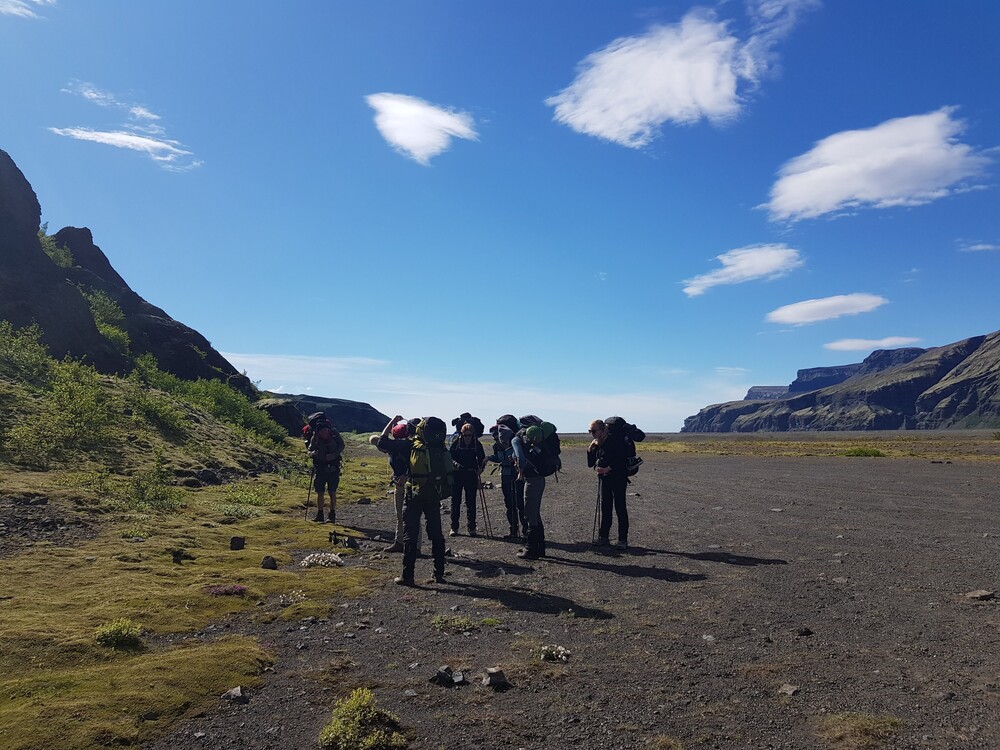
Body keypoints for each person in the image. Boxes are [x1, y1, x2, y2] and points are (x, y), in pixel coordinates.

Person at [396, 417, 451, 586]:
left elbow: (382, 442)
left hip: (414, 494)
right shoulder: (440, 447)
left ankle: (408, 576)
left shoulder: (410, 446)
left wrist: (393, 421)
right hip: (434, 492)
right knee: (436, 533)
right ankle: (439, 573)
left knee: (410, 534)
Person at [375, 415, 421, 554]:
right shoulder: (409, 445)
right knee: (402, 515)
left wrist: (393, 421)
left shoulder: (403, 445)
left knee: (410, 516)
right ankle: (401, 542)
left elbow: (381, 441)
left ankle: (413, 546)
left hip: (410, 485)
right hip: (403, 484)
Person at [586, 418, 635, 550]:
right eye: (590, 431)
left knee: (620, 508)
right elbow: (590, 463)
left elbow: (621, 460)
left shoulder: (615, 441)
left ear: (602, 430)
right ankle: (603, 537)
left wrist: (608, 468)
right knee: (606, 508)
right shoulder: (598, 443)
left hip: (618, 478)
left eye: (594, 431)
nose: (592, 433)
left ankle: (622, 540)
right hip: (605, 479)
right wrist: (590, 450)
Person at [511, 422, 553, 560]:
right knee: (535, 514)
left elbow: (521, 460)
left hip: (532, 480)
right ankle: (540, 548)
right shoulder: (537, 443)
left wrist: (519, 468)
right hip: (539, 479)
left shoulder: (517, 440)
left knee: (530, 514)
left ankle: (531, 549)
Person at [449, 421, 486, 537]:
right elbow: (450, 458)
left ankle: (472, 527)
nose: (467, 438)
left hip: (471, 475)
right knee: (455, 502)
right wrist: (457, 465)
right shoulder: (456, 443)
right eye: (465, 435)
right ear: (461, 434)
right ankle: (454, 527)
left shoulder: (477, 444)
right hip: (457, 475)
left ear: (473, 435)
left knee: (471, 502)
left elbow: (482, 459)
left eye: (469, 435)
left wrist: (480, 469)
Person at [487, 423, 524, 539]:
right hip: (505, 476)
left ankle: (525, 531)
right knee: (509, 503)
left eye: (497, 437)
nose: (496, 439)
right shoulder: (496, 447)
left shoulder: (515, 445)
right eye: (494, 437)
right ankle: (513, 530)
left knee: (519, 503)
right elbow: (498, 458)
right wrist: (488, 458)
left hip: (515, 476)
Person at [307, 420, 345, 523]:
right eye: (322, 431)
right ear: (318, 432)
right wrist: (313, 453)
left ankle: (332, 515)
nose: (324, 432)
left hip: (333, 467)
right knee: (320, 492)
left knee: (332, 491)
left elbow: (342, 445)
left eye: (325, 430)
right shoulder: (314, 438)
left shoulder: (334, 434)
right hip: (320, 467)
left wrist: (334, 455)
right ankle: (320, 514)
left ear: (328, 429)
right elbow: (309, 451)